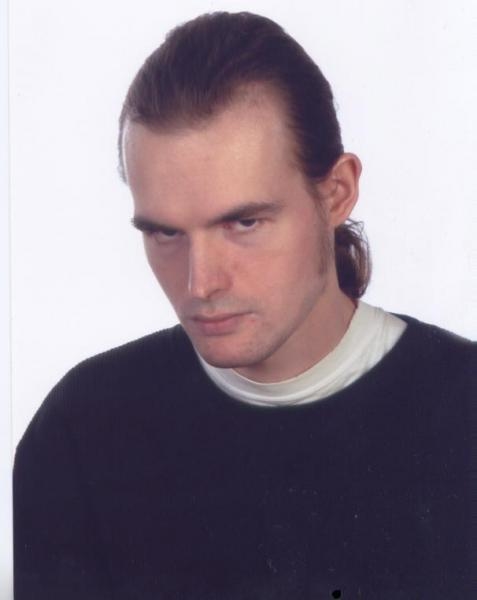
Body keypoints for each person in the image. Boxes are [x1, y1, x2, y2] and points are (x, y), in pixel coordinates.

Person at [13, 11, 474, 600]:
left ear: (337, 193)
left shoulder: (463, 412)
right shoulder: (81, 430)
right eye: (165, 233)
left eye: (244, 223)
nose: (200, 283)